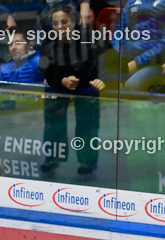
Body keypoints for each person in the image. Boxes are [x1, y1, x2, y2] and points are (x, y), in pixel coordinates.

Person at [38, 3, 103, 177]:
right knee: (53, 122)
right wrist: (62, 80)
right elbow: (44, 67)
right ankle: (52, 158)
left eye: (64, 22)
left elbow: (94, 67)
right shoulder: (49, 39)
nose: (60, 27)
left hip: (84, 86)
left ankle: (88, 162)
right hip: (59, 86)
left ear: (73, 21)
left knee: (87, 124)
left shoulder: (88, 37)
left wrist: (76, 79)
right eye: (56, 23)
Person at [114, 0, 165, 92]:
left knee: (132, 86)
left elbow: (163, 43)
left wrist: (138, 62)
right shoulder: (131, 2)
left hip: (154, 63)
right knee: (102, 81)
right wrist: (120, 56)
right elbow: (119, 31)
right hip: (126, 60)